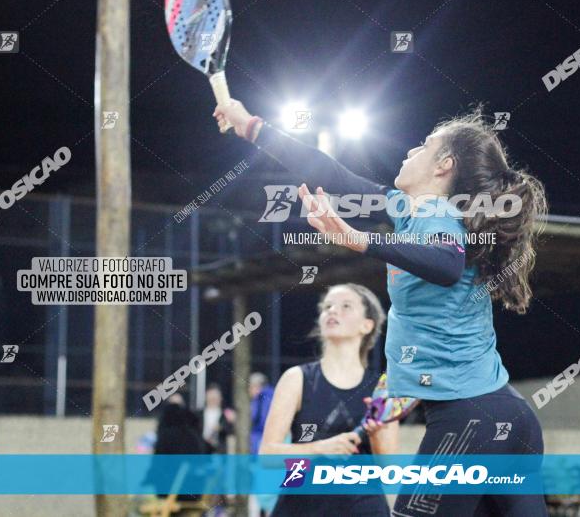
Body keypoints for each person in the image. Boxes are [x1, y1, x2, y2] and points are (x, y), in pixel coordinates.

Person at [214, 101, 549, 516]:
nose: (410, 151)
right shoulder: (410, 212)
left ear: (443, 165)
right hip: (506, 415)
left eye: (423, 146)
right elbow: (333, 175)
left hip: (470, 420)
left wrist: (360, 240)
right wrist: (253, 128)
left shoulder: (439, 220)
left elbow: (445, 264)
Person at [259, 283, 399, 516]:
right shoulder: (296, 379)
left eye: (346, 306)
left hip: (362, 507)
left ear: (367, 325)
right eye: (327, 307)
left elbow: (390, 472)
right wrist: (321, 448)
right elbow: (268, 457)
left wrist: (377, 437)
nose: (333, 311)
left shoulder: (382, 388)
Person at [198, 383, 235, 454]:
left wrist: (221, 427)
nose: (212, 400)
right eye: (210, 397)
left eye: (215, 398)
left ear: (220, 398)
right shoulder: (198, 415)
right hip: (202, 453)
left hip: (219, 453)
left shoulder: (226, 414)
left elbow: (230, 431)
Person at [248, 372, 274, 455]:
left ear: (257, 386)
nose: (249, 390)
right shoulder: (273, 394)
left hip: (261, 438)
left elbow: (257, 419)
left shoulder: (260, 399)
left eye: (250, 387)